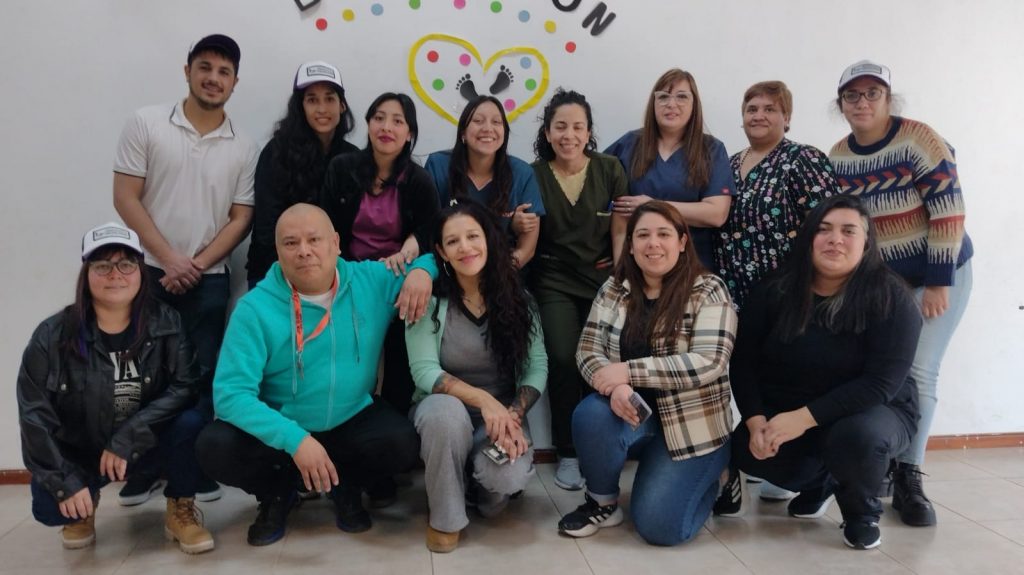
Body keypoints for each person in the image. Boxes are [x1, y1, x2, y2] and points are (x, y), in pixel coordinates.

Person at [195, 203, 435, 547]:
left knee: (402, 443)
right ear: (277, 251)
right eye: (291, 243)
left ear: (336, 243)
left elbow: (432, 258)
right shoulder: (254, 308)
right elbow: (231, 395)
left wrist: (421, 274)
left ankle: (344, 485)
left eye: (314, 239)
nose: (304, 251)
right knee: (213, 446)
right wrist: (295, 440)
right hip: (283, 426)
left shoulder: (370, 281)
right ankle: (278, 493)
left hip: (350, 416)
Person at [726, 195, 922, 549]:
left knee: (856, 437)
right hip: (797, 404)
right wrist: (755, 420)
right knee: (744, 447)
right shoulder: (775, 290)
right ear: (808, 239)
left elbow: (880, 385)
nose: (835, 239)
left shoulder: (892, 297)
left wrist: (801, 419)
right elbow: (743, 362)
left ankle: (861, 513)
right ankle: (821, 485)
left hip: (875, 411)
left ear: (866, 243)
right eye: (824, 230)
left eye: (849, 231)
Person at [113, 33, 258, 502]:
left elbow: (241, 218)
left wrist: (196, 263)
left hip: (209, 278)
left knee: (201, 375)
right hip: (147, 273)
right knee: (138, 375)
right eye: (206, 67)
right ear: (188, 70)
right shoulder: (147, 123)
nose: (213, 78)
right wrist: (170, 258)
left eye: (224, 72)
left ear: (235, 82)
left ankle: (192, 470)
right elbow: (126, 197)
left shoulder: (244, 145)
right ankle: (145, 467)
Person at [829, 60, 973, 527]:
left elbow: (949, 211)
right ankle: (885, 464)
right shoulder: (838, 157)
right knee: (880, 373)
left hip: (939, 270)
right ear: (842, 104)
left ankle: (910, 476)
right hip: (882, 287)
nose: (863, 102)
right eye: (853, 95)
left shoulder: (919, 139)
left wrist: (937, 281)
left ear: (889, 99)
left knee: (919, 373)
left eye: (873, 93)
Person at [17, 223, 213, 554]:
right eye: (102, 265)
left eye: (126, 264)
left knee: (193, 422)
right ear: (87, 274)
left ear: (140, 272)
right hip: (83, 450)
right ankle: (83, 504)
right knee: (51, 507)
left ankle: (180, 507)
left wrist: (129, 436)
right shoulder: (51, 336)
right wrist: (66, 483)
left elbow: (186, 386)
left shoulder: (166, 323)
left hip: (142, 446)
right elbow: (34, 416)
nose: (115, 275)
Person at [557, 201, 736, 546]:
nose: (653, 243)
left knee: (660, 529)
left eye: (663, 234)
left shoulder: (709, 289)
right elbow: (587, 350)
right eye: (643, 235)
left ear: (682, 241)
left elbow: (708, 361)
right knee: (591, 414)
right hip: (636, 415)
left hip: (692, 428)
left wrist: (627, 372)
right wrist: (615, 389)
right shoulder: (614, 288)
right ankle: (603, 503)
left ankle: (719, 478)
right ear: (632, 244)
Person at [406, 201, 548, 553]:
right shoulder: (428, 302)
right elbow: (424, 371)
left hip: (501, 417)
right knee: (445, 414)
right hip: (444, 409)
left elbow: (536, 366)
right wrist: (485, 401)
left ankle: (474, 484)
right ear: (440, 251)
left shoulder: (520, 300)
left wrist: (512, 414)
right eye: (453, 241)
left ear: (489, 239)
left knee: (502, 484)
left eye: (473, 236)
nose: (465, 247)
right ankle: (445, 517)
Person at [529, 88, 627, 491]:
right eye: (560, 127)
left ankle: (601, 448)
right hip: (553, 279)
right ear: (548, 132)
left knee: (605, 362)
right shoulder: (533, 174)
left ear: (589, 131)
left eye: (578, 126)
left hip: (605, 278)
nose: (569, 135)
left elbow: (621, 226)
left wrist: (621, 278)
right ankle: (568, 452)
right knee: (564, 360)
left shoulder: (610, 169)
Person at [319, 92, 439, 416]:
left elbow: (433, 230)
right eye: (379, 118)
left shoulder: (418, 180)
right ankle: (347, 420)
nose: (387, 127)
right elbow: (326, 225)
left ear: (409, 132)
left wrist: (412, 244)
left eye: (398, 121)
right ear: (369, 124)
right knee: (348, 357)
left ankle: (394, 423)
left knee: (401, 354)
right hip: (349, 274)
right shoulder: (342, 168)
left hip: (397, 277)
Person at [714, 80, 839, 310]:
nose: (759, 115)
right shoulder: (726, 165)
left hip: (788, 299)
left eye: (769, 109)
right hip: (732, 301)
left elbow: (828, 226)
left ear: (787, 118)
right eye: (752, 109)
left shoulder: (804, 159)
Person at [605, 68, 735, 270]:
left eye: (682, 97)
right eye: (663, 97)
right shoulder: (629, 144)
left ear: (694, 105)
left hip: (692, 265)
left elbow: (717, 214)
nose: (671, 104)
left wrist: (654, 205)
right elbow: (594, 186)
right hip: (639, 264)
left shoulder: (711, 149)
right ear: (653, 104)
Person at [246, 60, 358, 287]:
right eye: (312, 100)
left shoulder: (353, 159)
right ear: (300, 107)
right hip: (275, 275)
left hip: (333, 277)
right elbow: (267, 226)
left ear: (342, 106)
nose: (322, 108)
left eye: (329, 98)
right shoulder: (276, 152)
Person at [425, 95, 545, 268]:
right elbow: (428, 231)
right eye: (478, 121)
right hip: (449, 270)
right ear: (463, 133)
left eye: (496, 122)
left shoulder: (522, 173)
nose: (488, 128)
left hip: (503, 273)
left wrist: (499, 275)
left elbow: (526, 249)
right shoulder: (438, 165)